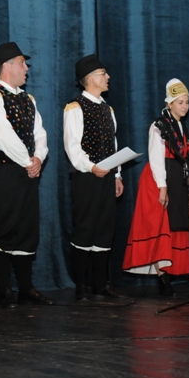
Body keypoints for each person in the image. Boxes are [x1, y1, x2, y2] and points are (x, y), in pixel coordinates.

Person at [0, 42, 52, 307]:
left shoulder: (28, 99)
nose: (26, 68)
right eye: (21, 63)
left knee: (26, 227)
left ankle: (26, 288)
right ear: (6, 66)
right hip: (5, 171)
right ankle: (4, 289)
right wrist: (29, 161)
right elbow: (2, 135)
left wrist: (39, 157)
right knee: (5, 226)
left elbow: (40, 133)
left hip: (28, 170)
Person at [122, 79, 189, 296]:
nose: (185, 106)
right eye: (180, 102)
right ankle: (163, 278)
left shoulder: (182, 126)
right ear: (169, 103)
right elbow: (155, 157)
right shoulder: (159, 125)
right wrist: (162, 187)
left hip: (179, 177)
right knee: (161, 226)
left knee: (185, 225)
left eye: (187, 102)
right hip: (159, 178)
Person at [63, 54, 125, 300]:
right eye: (103, 73)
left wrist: (117, 174)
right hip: (86, 177)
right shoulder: (75, 107)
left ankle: (101, 283)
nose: (108, 77)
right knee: (86, 226)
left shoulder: (107, 109)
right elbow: (73, 147)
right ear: (89, 78)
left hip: (107, 177)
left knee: (105, 228)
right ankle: (81, 284)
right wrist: (91, 167)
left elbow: (113, 144)